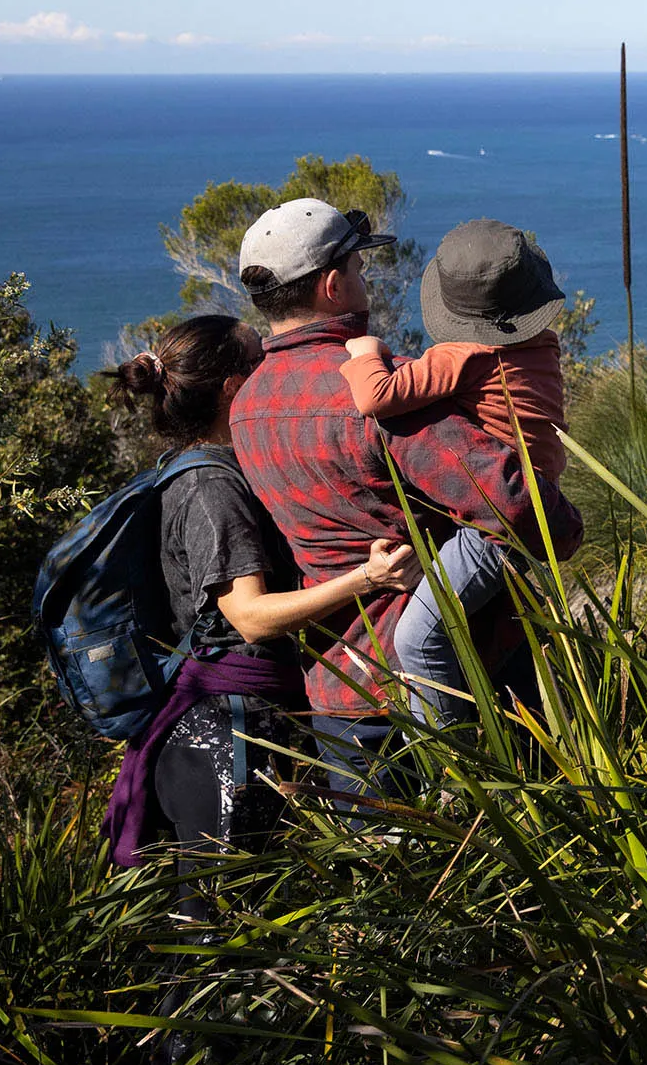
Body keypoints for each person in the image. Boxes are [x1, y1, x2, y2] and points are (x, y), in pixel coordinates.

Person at [227, 198, 582, 803]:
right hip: (467, 678)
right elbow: (523, 511)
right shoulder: (385, 405)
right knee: (512, 863)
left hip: (341, 692)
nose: (367, 280)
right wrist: (567, 524)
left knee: (387, 880)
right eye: (361, 270)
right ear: (334, 285)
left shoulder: (245, 407)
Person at [97, 315, 420, 882]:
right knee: (221, 929)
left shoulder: (220, 468)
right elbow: (248, 617)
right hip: (225, 735)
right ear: (232, 387)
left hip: (238, 721)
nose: (274, 366)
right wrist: (366, 579)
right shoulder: (211, 488)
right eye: (259, 359)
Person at [339, 219, 570, 725]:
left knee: (416, 639)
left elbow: (375, 398)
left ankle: (457, 767)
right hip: (537, 500)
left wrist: (364, 353)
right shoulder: (541, 344)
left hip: (495, 522)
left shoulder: (463, 353)